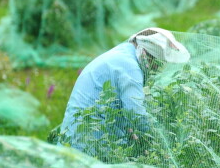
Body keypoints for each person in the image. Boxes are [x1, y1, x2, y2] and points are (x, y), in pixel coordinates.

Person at [58, 27, 190, 157]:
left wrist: (133, 135)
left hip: (75, 133)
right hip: (89, 139)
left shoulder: (123, 53)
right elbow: (135, 113)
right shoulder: (129, 68)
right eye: (157, 63)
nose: (156, 68)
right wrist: (160, 144)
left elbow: (121, 107)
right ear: (147, 55)